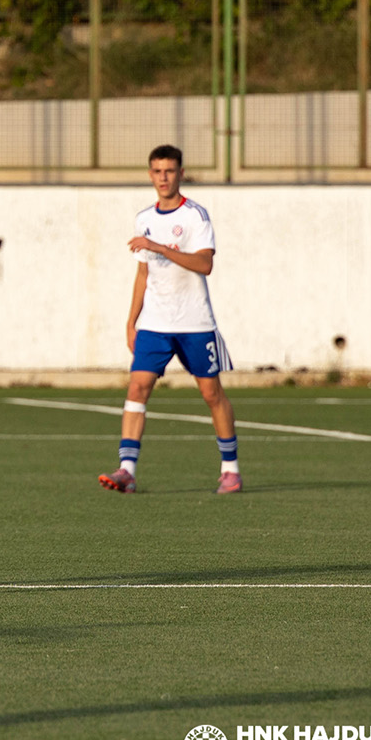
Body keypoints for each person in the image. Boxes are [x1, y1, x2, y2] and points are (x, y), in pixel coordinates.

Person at [99, 144, 240, 494]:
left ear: (180, 173)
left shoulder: (195, 216)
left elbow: (204, 264)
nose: (163, 177)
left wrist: (162, 248)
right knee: (137, 387)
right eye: (157, 171)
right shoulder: (144, 218)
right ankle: (126, 470)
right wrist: (131, 321)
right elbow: (143, 275)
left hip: (194, 322)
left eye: (169, 171)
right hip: (155, 324)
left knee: (211, 393)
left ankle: (230, 469)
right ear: (150, 175)